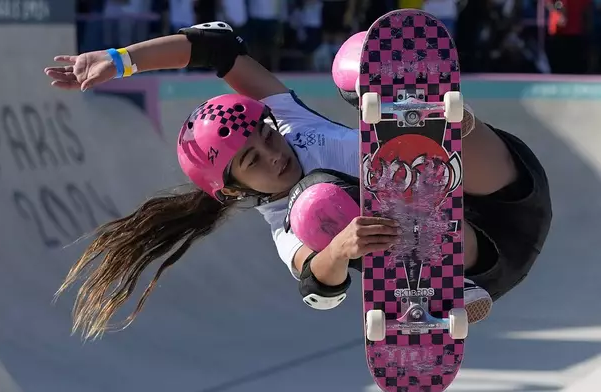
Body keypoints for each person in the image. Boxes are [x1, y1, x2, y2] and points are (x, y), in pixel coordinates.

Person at [44, 22, 552, 341]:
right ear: (232, 189)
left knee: (356, 64)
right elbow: (319, 287)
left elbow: (217, 48)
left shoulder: (287, 117)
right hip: (477, 262)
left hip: (503, 185)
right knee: (318, 206)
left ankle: (437, 118)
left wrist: (119, 60)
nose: (274, 152)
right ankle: (435, 294)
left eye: (265, 133)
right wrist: (340, 249)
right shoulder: (286, 225)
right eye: (251, 160)